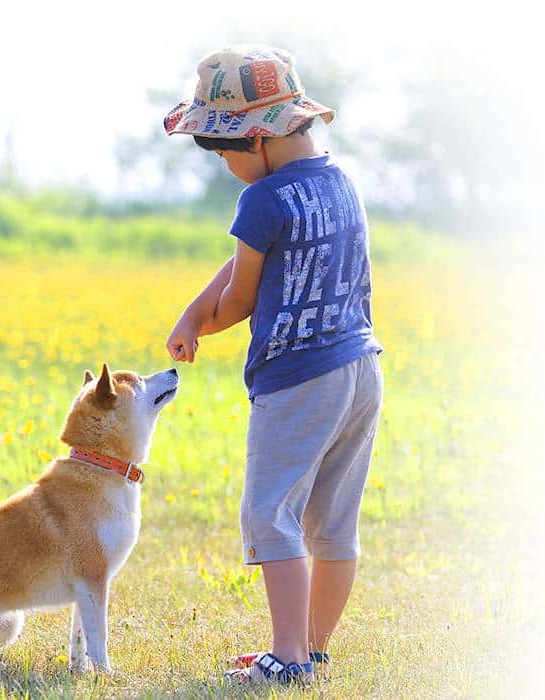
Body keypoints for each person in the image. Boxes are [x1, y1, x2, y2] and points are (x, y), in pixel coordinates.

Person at [163, 45, 384, 686]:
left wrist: (203, 322)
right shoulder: (341, 183)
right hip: (360, 369)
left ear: (257, 137)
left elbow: (243, 293)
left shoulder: (261, 200)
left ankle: (286, 662)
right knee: (332, 524)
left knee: (271, 516)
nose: (224, 162)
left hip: (298, 378)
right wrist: (191, 310)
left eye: (222, 148)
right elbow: (248, 265)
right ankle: (310, 649)